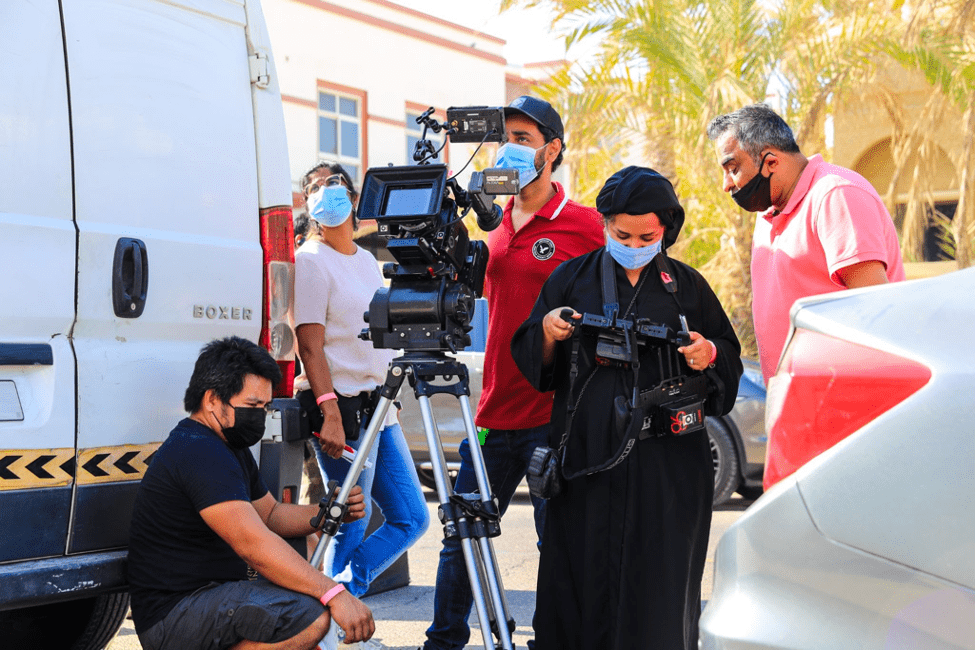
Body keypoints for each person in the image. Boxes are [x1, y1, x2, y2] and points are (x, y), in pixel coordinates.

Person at [510, 166, 743, 650]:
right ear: (604, 225)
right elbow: (535, 364)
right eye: (622, 234)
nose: (634, 244)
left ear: (666, 232)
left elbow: (727, 363)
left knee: (659, 592)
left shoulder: (688, 288)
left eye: (647, 236)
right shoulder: (570, 278)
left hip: (669, 473)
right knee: (576, 589)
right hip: (586, 466)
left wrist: (709, 354)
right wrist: (549, 332)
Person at [423, 96, 605, 650]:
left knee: (559, 541)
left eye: (523, 138)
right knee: (461, 537)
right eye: (506, 137)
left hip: (556, 415)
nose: (511, 148)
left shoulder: (586, 225)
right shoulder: (495, 226)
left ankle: (554, 637)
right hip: (495, 413)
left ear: (551, 149)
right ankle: (444, 640)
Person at [127, 336, 375, 650]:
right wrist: (333, 592)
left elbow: (271, 514)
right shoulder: (199, 451)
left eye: (266, 406)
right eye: (253, 406)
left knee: (307, 549)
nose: (260, 415)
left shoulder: (227, 445)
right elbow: (253, 545)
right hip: (175, 615)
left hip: (213, 596)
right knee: (307, 616)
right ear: (213, 400)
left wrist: (326, 513)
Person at [293, 161, 429, 601]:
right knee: (351, 516)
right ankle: (331, 615)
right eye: (315, 187)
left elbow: (377, 335)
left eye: (334, 183)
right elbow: (309, 345)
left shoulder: (368, 259)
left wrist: (392, 396)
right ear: (310, 205)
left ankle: (343, 593)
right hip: (342, 408)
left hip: (379, 407)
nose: (326, 191)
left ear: (353, 198)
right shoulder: (311, 260)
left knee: (412, 517)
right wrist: (328, 410)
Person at [707, 103, 905, 383]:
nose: (727, 184)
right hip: (793, 406)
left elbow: (877, 311)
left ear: (771, 162)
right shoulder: (768, 215)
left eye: (733, 168)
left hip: (846, 404)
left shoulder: (836, 195)